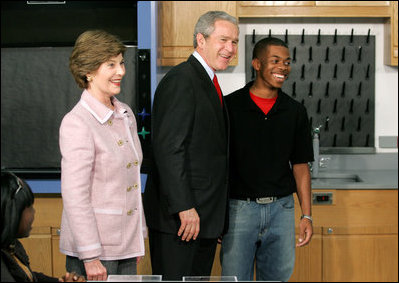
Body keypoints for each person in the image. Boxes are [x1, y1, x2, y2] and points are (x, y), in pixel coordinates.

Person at [143, 11, 239, 280]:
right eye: (223, 40)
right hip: (181, 219)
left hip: (204, 218)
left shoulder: (207, 81)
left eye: (234, 42)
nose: (230, 49)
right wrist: (185, 207)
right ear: (201, 39)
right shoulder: (182, 80)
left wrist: (216, 218)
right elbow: (169, 149)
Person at [220, 37, 314, 281]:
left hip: (281, 210)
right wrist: (216, 214)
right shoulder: (230, 107)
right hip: (238, 210)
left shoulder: (295, 111)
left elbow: (301, 166)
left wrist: (307, 215)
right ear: (256, 64)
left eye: (287, 62)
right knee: (234, 279)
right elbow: (217, 164)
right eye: (275, 61)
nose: (283, 67)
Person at [59, 30, 146, 281]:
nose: (121, 71)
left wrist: (137, 236)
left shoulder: (125, 113)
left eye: (121, 63)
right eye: (111, 64)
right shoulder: (77, 122)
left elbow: (131, 181)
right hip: (96, 251)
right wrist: (90, 256)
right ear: (88, 71)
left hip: (126, 245)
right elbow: (76, 195)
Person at [1, 171, 85, 282]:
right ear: (12, 213)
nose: (34, 212)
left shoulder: (12, 247)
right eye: (29, 207)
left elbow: (29, 277)